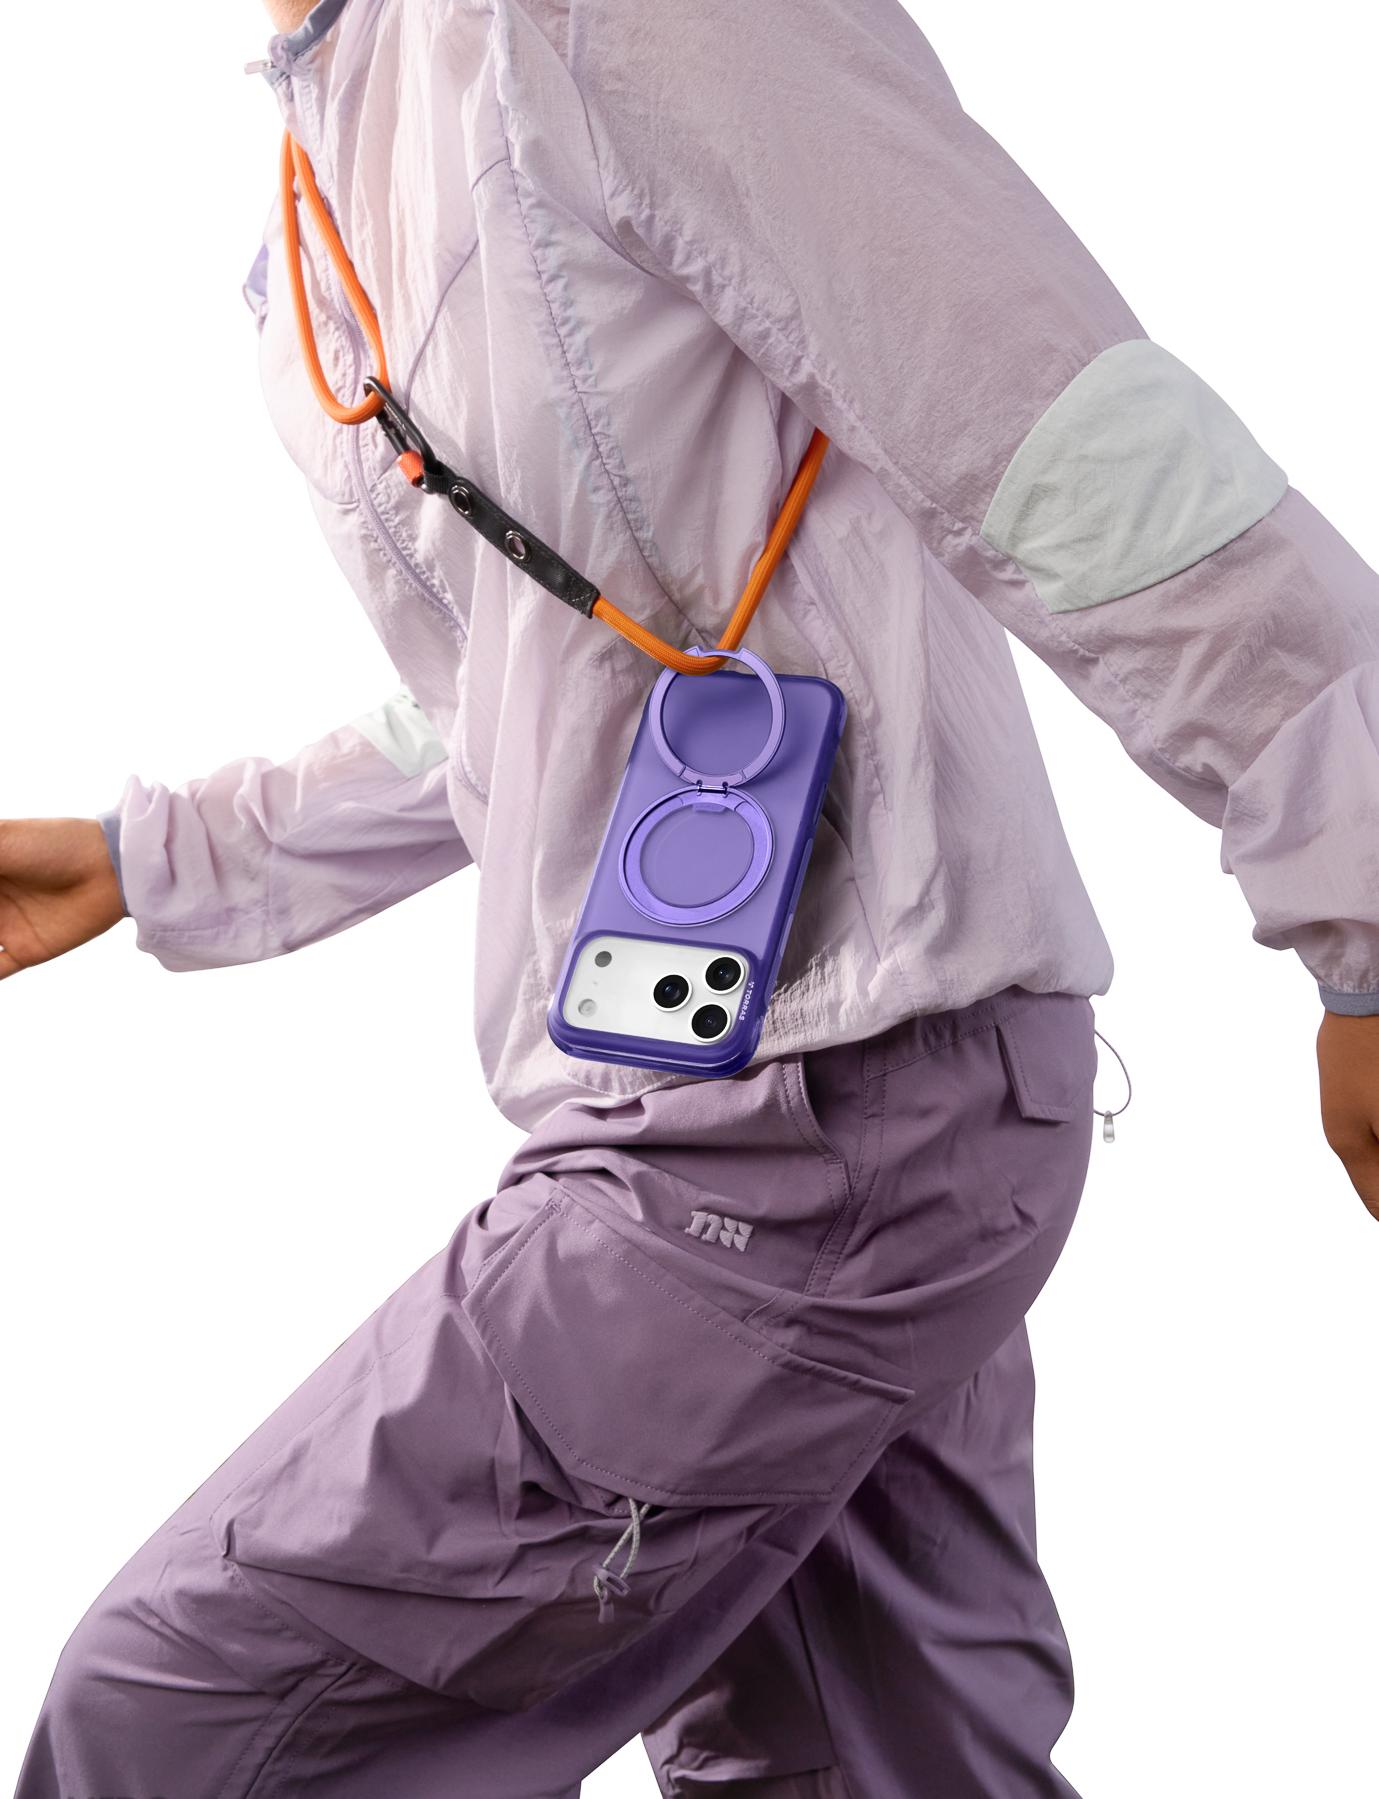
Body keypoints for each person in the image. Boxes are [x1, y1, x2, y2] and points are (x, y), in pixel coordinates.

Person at [6, 0, 1377, 1793]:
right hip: (754, 1104)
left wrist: (1368, 901)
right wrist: (146, 859)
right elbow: (503, 695)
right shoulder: (315, 182)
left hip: (824, 1116)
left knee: (171, 1727)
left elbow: (1067, 438)